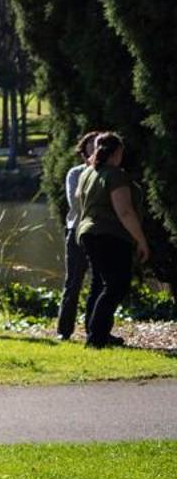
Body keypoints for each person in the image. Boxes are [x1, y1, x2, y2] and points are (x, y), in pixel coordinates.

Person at [75, 132, 153, 349]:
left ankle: (98, 333)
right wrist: (141, 241)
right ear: (118, 152)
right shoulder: (115, 175)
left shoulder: (88, 173)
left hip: (88, 232)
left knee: (100, 284)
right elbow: (125, 212)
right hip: (109, 234)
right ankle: (96, 337)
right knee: (116, 285)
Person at [56, 132, 100, 341]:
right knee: (73, 282)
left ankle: (96, 329)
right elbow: (76, 204)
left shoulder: (112, 174)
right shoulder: (75, 174)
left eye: (100, 147)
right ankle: (64, 331)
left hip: (102, 233)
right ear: (84, 152)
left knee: (100, 283)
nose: (97, 151)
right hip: (77, 232)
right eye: (93, 147)